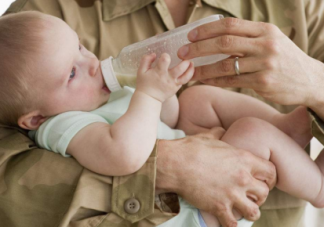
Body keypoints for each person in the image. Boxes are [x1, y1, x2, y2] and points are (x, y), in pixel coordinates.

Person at [0, 0, 324, 227]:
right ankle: (319, 189)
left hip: (205, 192)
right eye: (71, 73)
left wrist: (315, 82)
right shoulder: (62, 123)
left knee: (197, 99)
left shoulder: (93, 96)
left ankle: (285, 129)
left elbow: (166, 120)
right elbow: (124, 153)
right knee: (251, 132)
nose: (91, 63)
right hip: (189, 216)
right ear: (34, 119)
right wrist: (150, 97)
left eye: (82, 48)